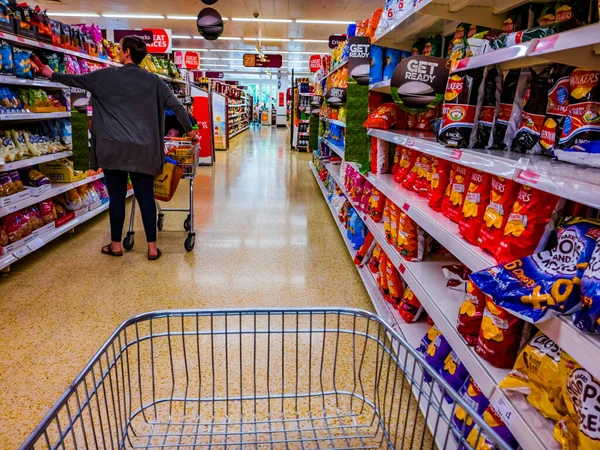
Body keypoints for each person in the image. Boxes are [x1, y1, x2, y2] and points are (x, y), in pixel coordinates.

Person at [41, 36, 195, 261]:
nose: (118, 52)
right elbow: (177, 107)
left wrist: (50, 74)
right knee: (145, 198)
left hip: (113, 151)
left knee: (117, 198)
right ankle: (152, 248)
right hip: (144, 152)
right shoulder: (155, 82)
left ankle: (115, 245)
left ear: (127, 53)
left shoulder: (107, 76)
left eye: (120, 49)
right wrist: (191, 134)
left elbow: (77, 81)